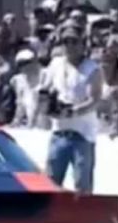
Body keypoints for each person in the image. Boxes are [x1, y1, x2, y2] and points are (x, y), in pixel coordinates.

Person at [39, 25, 101, 193]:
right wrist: (48, 104)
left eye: (74, 41)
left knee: (82, 184)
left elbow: (94, 100)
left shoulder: (91, 69)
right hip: (59, 132)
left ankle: (85, 217)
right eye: (66, 41)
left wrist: (73, 111)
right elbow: (45, 89)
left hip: (82, 135)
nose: (69, 46)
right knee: (51, 183)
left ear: (83, 44)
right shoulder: (56, 64)